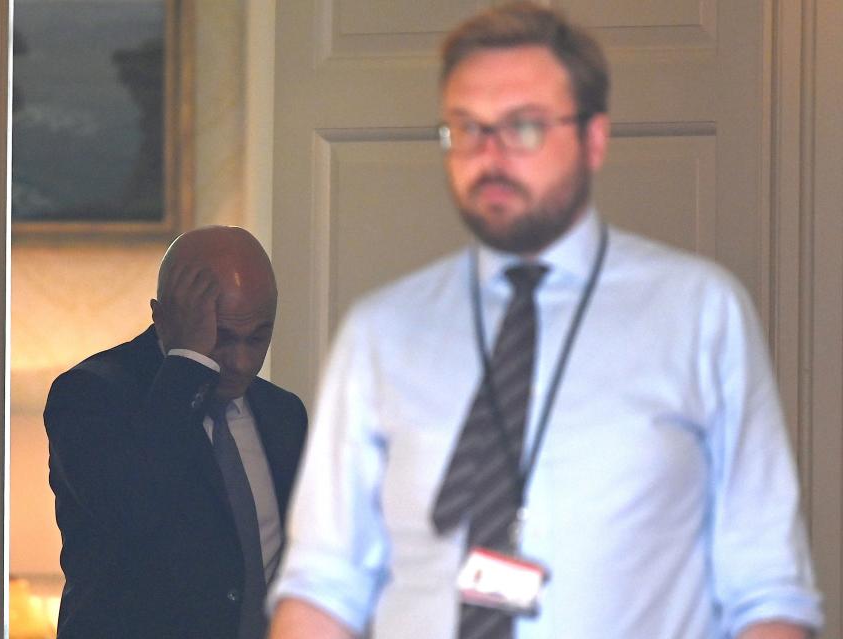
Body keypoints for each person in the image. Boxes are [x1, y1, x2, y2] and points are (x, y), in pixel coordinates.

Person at [267, 3, 822, 639]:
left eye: (523, 128)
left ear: (594, 139)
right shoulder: (381, 335)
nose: (490, 155)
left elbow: (767, 592)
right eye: (467, 128)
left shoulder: (699, 314)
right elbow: (323, 588)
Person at [45, 226, 307, 639]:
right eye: (221, 337)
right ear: (162, 316)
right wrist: (188, 362)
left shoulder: (284, 415)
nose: (241, 362)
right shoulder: (88, 397)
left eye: (258, 337)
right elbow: (132, 511)